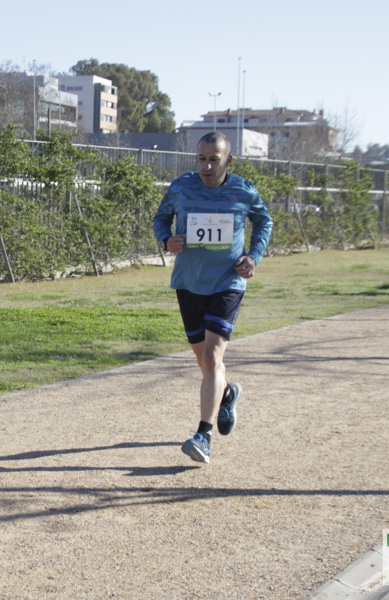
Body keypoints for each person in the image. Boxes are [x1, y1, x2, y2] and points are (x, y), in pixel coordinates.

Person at [152, 131, 273, 464]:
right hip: (189, 282)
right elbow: (160, 217)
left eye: (214, 159)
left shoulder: (243, 191)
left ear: (228, 160)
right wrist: (166, 239)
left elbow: (264, 221)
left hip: (227, 282)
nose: (207, 165)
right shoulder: (181, 187)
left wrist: (253, 256)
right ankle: (228, 392)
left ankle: (203, 436)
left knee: (211, 357)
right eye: (202, 158)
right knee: (206, 363)